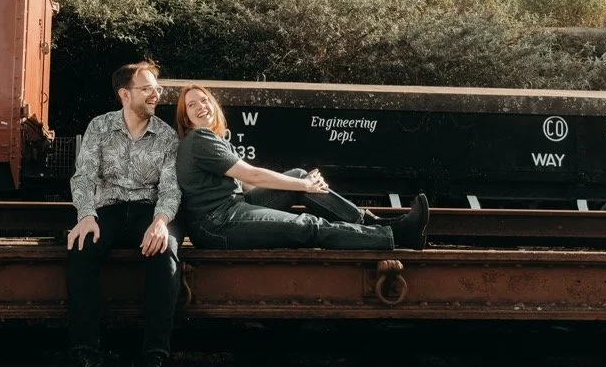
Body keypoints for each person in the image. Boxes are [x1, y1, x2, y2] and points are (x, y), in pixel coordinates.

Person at [173, 83, 429, 250]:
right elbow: (252, 175)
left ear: (212, 104)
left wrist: (302, 181)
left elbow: (246, 184)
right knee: (308, 225)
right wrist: (304, 184)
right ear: (186, 117)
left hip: (233, 209)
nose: (200, 107)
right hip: (217, 224)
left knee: (296, 175)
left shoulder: (211, 139)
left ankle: (373, 222)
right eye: (191, 106)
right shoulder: (198, 140)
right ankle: (392, 237)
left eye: (203, 100)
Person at [66, 61, 182, 367]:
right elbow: (84, 176)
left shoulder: (166, 135)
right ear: (124, 94)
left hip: (148, 211)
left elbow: (171, 188)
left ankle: (154, 360)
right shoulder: (99, 127)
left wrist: (161, 223)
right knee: (81, 248)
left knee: (168, 255)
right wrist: (85, 215)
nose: (155, 93)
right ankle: (86, 352)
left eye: (156, 88)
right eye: (147, 88)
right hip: (108, 210)